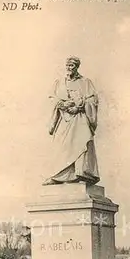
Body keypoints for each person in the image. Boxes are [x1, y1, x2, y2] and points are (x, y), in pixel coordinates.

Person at [43, 56, 100, 185]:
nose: (69, 68)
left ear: (77, 67)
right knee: (61, 147)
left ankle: (81, 174)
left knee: (80, 144)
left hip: (79, 118)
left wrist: (79, 106)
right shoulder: (59, 83)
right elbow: (52, 98)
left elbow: (92, 100)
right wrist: (62, 104)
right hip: (64, 119)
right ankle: (58, 176)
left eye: (72, 66)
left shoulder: (85, 82)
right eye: (67, 66)